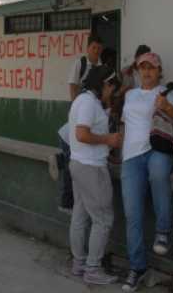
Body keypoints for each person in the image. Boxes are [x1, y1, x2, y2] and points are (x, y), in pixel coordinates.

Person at [120, 53, 173, 292]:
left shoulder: (167, 92)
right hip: (131, 157)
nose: (146, 72)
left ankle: (163, 230)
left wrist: (168, 107)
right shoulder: (130, 94)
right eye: (142, 68)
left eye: (151, 68)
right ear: (137, 71)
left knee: (158, 173)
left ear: (159, 71)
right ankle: (137, 267)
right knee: (132, 214)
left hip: (157, 150)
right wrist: (119, 150)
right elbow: (125, 124)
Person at [68, 65, 122, 285]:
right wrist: (108, 140)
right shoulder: (89, 103)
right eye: (111, 89)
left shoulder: (83, 100)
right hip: (91, 168)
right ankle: (92, 268)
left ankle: (79, 263)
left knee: (80, 216)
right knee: (103, 219)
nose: (112, 94)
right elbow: (82, 134)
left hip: (80, 164)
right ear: (104, 84)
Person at [68, 33, 104, 101]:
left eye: (99, 48)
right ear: (88, 48)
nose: (96, 51)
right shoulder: (79, 63)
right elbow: (73, 88)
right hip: (81, 103)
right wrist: (76, 104)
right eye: (93, 47)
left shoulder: (103, 66)